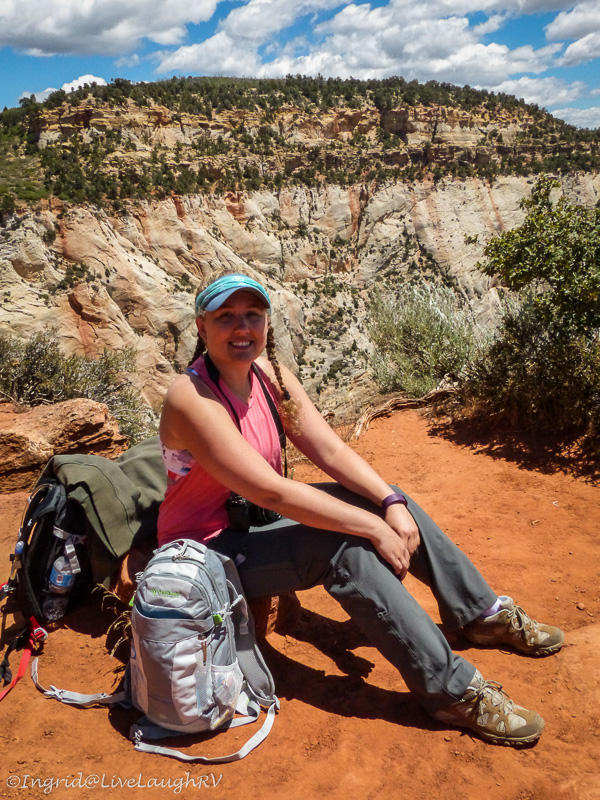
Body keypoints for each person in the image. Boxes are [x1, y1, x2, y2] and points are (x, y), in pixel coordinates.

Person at [157, 271, 565, 747]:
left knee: (385, 496)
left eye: (253, 315)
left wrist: (389, 504)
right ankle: (451, 691)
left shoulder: (268, 377)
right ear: (202, 328)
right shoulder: (192, 397)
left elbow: (327, 449)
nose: (241, 327)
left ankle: (480, 615)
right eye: (225, 317)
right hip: (209, 551)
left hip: (252, 520)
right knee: (342, 547)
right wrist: (374, 528)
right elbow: (273, 492)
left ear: (266, 323)